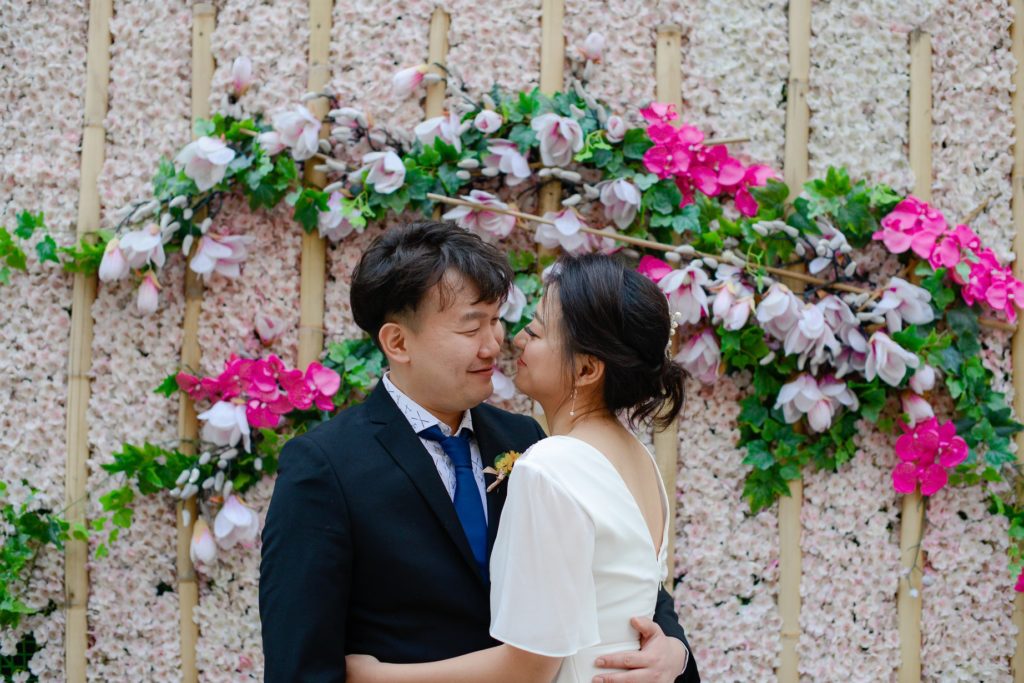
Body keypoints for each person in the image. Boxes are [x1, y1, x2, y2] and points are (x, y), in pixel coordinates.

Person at [260, 221, 698, 682]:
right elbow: (299, 664)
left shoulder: (528, 441)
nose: (496, 343)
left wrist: (673, 650)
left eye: (496, 319)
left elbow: (619, 570)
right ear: (398, 342)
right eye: (472, 326)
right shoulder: (324, 468)